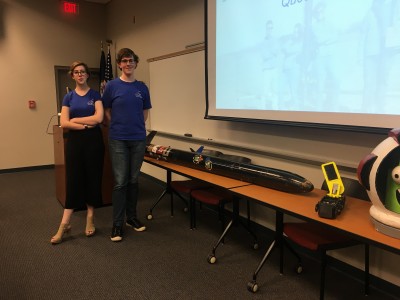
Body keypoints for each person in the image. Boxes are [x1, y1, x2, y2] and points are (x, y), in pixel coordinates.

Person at [51, 61, 105, 244]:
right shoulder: (69, 97)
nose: (80, 74)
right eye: (76, 72)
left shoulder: (95, 95)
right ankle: (64, 224)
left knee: (92, 177)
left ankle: (90, 217)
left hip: (94, 142)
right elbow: (64, 123)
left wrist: (77, 120)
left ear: (88, 75)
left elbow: (99, 118)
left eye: (83, 72)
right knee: (73, 180)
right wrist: (83, 126)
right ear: (72, 76)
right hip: (75, 142)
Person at [102, 48, 152, 242]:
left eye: (131, 60)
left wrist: (138, 126)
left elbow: (145, 111)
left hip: (138, 138)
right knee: (121, 181)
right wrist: (116, 124)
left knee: (133, 180)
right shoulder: (112, 86)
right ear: (119, 64)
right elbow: (106, 109)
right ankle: (117, 224)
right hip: (118, 139)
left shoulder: (142, 88)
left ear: (135, 63)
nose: (128, 64)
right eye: (124, 61)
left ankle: (132, 218)